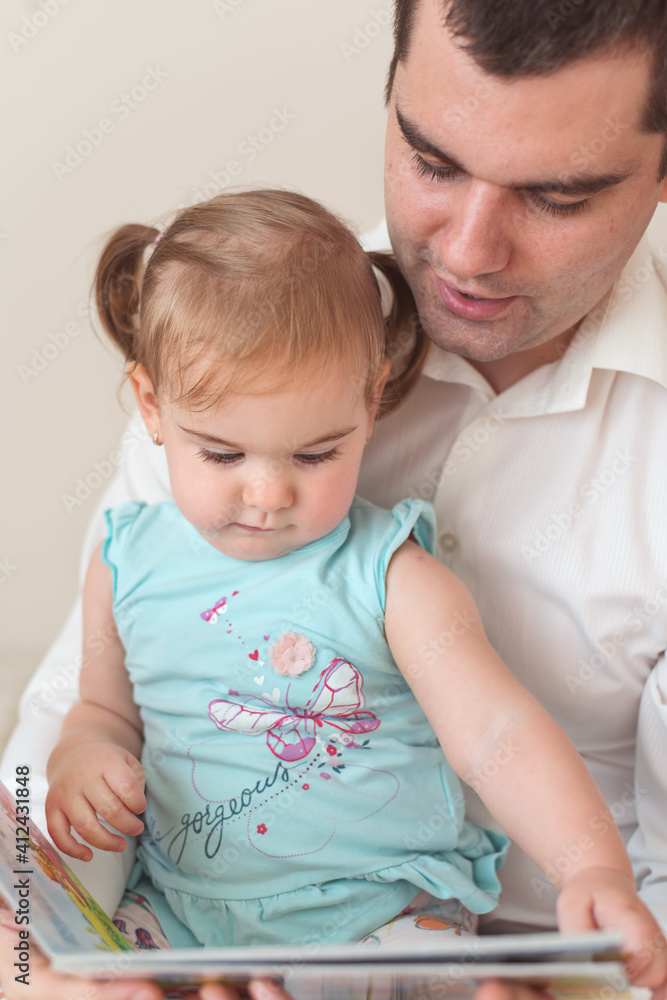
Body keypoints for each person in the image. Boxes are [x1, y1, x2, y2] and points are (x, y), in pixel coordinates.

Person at [3, 0, 667, 997]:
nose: (469, 251)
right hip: (182, 927)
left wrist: (592, 909)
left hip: (449, 948)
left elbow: (502, 742)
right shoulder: (233, 341)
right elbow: (68, 726)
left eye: (556, 196)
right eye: (432, 162)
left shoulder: (391, 563)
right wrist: (40, 957)